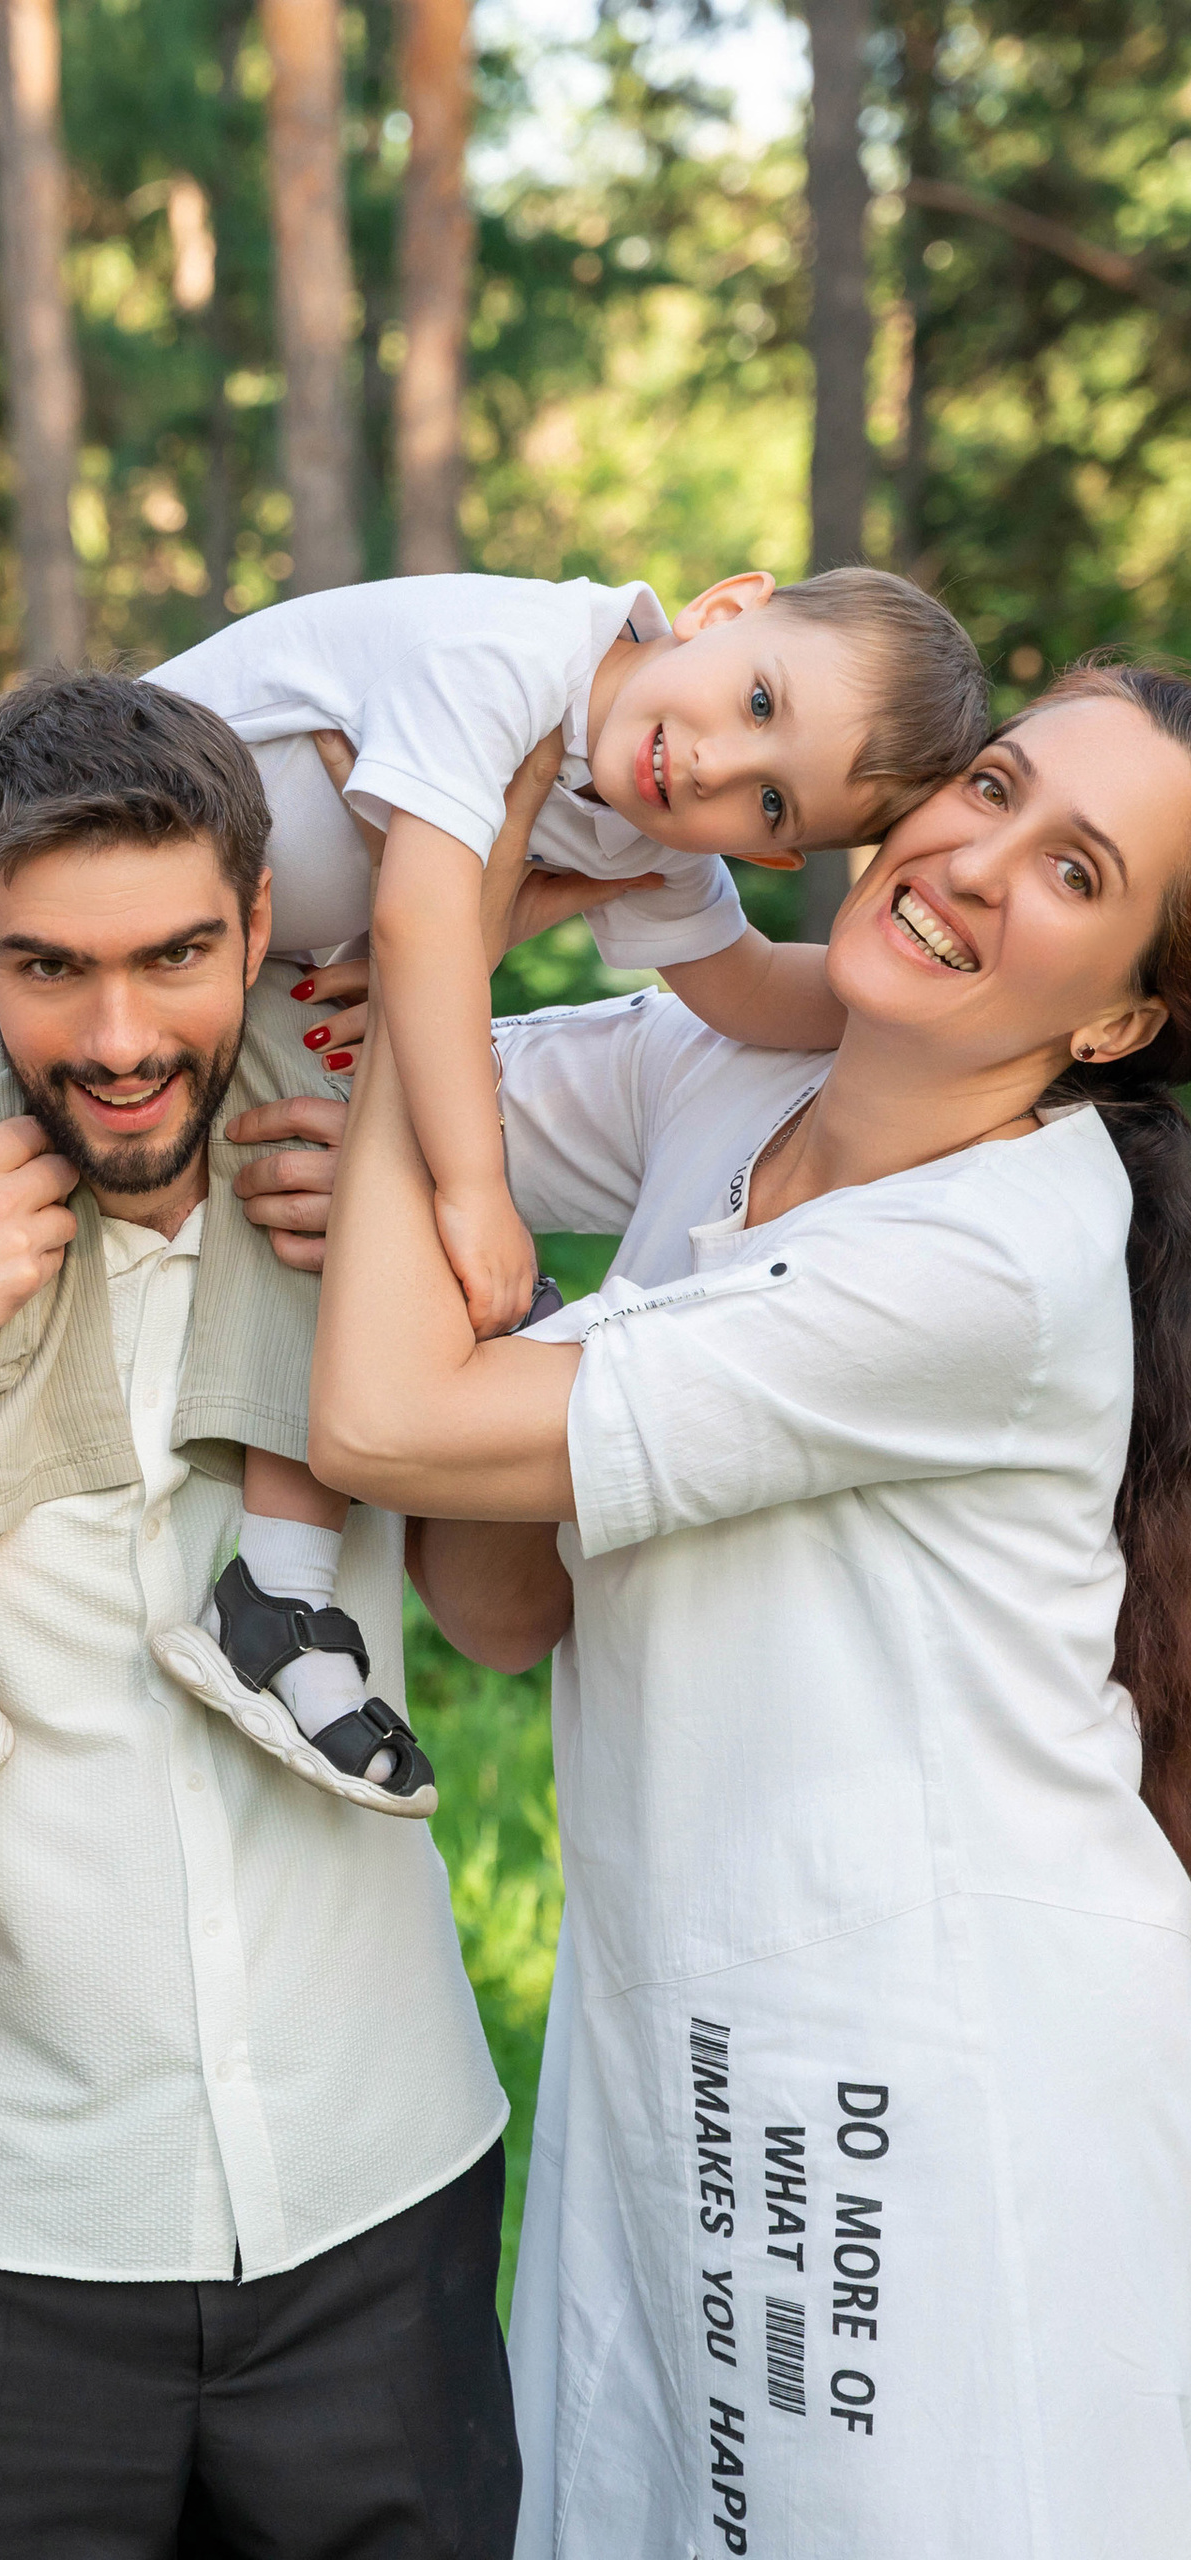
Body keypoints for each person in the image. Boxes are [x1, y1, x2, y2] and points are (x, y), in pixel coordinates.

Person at [0, 670, 621, 2558]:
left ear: (261, 922)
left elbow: (504, 1619)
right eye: (51, 970)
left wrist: (467, 1300)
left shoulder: (364, 1154)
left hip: (376, 2184)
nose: (119, 1039)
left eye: (177, 958)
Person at [311, 668, 1191, 2552]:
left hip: (926, 2078)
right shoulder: (730, 1073)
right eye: (993, 785)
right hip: (687, 2031)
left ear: (1120, 1017)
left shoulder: (990, 1262)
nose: (976, 859)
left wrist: (442, 924)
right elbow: (499, 1600)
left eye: (1076, 869)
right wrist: (427, 1020)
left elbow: (384, 1411)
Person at [0, 569, 993, 1861]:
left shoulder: (656, 831)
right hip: (18, 916)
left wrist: (957, 988)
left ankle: (277, 1595)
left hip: (253, 967)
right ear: (727, 609)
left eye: (772, 800)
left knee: (320, 1204)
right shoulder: (513, 654)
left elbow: (749, 992)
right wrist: (472, 1187)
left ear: (778, 852)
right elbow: (422, 918)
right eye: (759, 700)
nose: (717, 765)